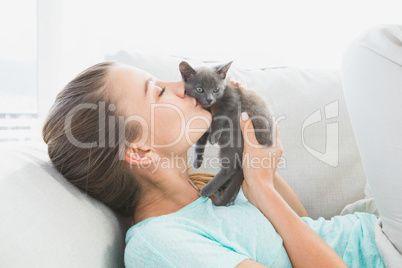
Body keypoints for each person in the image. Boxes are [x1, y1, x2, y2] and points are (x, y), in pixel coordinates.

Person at [42, 25, 401, 267]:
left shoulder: (208, 187)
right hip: (387, 250)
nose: (184, 86)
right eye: (159, 91)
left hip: (369, 224)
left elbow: (304, 228)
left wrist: (258, 165)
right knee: (373, 50)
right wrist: (262, 190)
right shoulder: (159, 243)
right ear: (139, 151)